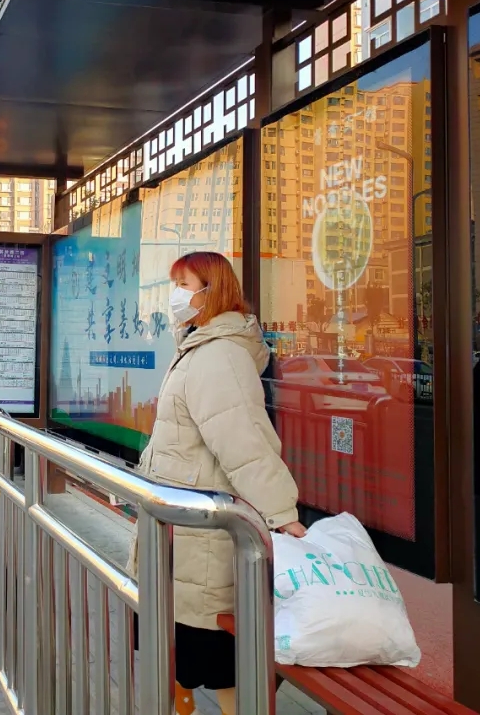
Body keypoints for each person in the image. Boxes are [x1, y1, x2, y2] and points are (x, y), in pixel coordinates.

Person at [127, 251, 304, 715]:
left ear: (212, 290)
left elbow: (244, 442)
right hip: (184, 527)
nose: (176, 295)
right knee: (180, 652)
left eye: (184, 285)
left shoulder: (218, 356)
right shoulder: (199, 346)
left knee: (220, 666)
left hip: (200, 539)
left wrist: (280, 514)